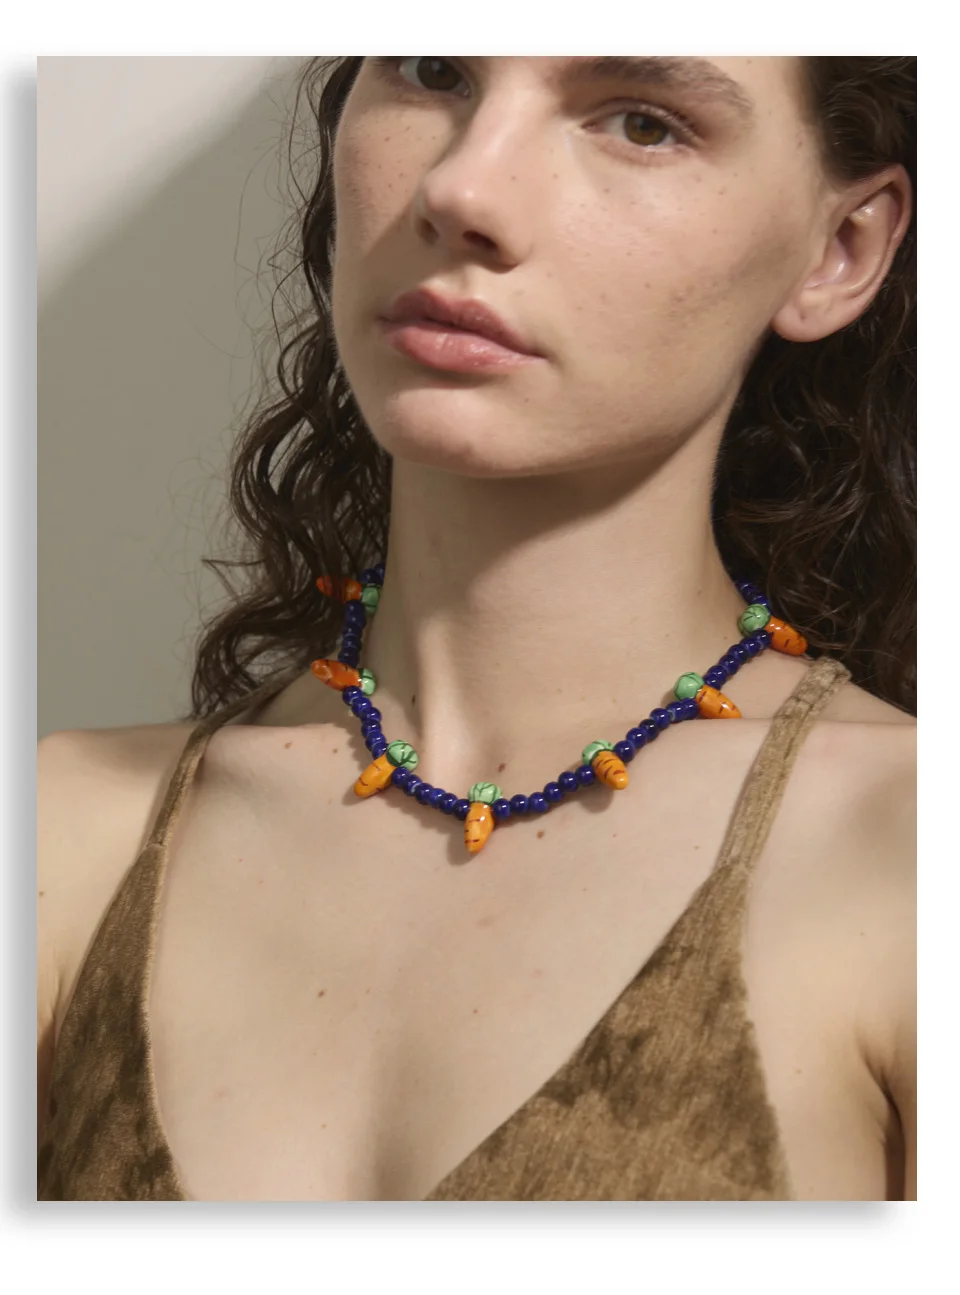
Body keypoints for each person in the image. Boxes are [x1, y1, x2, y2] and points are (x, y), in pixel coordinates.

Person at [37, 56, 916, 1202]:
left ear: (839, 248)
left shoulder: (908, 859)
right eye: (435, 70)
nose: (463, 189)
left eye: (643, 122)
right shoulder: (60, 838)